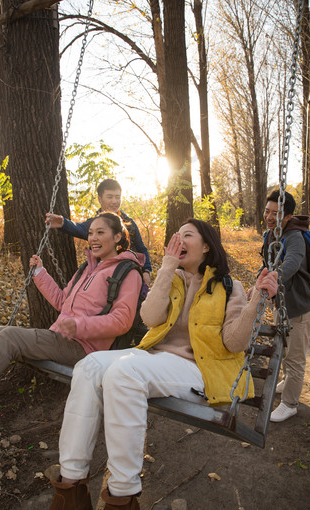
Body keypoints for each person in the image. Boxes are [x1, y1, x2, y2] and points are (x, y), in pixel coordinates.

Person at [47, 218, 277, 510]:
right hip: (154, 358)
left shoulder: (229, 287)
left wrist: (257, 298)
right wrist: (167, 268)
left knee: (123, 373)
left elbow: (234, 342)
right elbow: (151, 318)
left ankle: (121, 496)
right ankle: (71, 487)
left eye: (188, 235)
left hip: (197, 369)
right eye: (176, 236)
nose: (179, 241)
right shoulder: (175, 279)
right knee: (89, 366)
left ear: (206, 245)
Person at [0, 213, 144, 400]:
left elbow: (122, 321)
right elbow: (62, 300)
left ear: (117, 237)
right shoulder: (87, 268)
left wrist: (79, 326)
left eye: (100, 232)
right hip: (61, 338)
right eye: (91, 232)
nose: (93, 238)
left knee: (9, 338)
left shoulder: (127, 272)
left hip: (84, 347)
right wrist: (40, 272)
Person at [260, 190, 310, 422]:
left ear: (288, 216)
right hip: (281, 302)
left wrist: (272, 280)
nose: (269, 217)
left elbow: (291, 264)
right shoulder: (270, 234)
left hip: (299, 306)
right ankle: (287, 380)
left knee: (296, 357)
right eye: (267, 211)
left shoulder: (295, 237)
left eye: (276, 213)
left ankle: (290, 404)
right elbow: (267, 263)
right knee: (284, 347)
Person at [45, 178, 152, 287]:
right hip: (105, 278)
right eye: (110, 197)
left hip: (130, 274)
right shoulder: (95, 223)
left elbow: (141, 248)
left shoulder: (129, 223)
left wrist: (146, 271)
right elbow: (79, 228)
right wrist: (63, 223)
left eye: (117, 197)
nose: (114, 201)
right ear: (100, 199)